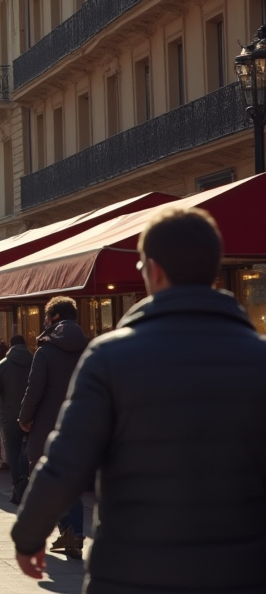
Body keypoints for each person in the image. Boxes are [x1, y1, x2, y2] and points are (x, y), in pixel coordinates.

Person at [13, 208, 266, 591]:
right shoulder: (258, 358)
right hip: (239, 573)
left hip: (132, 572)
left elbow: (65, 461)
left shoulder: (110, 358)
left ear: (154, 269)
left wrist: (29, 536)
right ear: (214, 270)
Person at [18, 297, 88, 557]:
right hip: (80, 425)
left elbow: (34, 389)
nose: (45, 321)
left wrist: (24, 418)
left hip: (48, 426)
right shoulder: (88, 348)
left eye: (46, 317)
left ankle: (68, 534)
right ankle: (74, 534)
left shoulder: (45, 350)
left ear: (55, 318)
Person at [0, 334, 32, 503]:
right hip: (32, 416)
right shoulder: (35, 362)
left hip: (9, 416)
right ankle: (30, 485)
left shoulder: (3, 365)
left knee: (13, 452)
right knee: (29, 451)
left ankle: (18, 488)